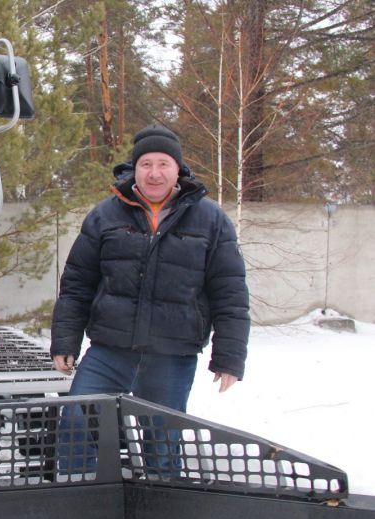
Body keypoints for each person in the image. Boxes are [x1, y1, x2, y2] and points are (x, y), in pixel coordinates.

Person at [50, 124, 250, 475]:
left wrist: (229, 357)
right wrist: (65, 341)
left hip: (172, 355)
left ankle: (161, 502)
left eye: (163, 164)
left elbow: (230, 293)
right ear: (134, 168)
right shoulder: (105, 215)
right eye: (146, 164)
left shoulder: (210, 219)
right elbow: (77, 285)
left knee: (161, 440)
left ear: (178, 169)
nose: (154, 173)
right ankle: (76, 494)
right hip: (110, 350)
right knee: (78, 422)